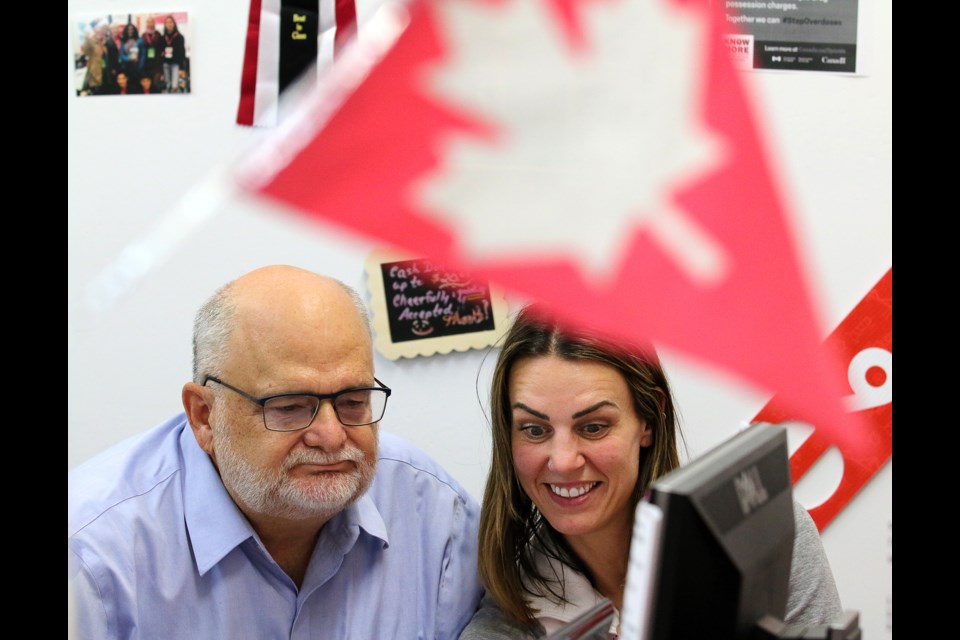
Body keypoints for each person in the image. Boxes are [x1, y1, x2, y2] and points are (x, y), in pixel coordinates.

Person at [68, 265, 484, 639]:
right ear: (204, 416)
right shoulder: (93, 555)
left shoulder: (432, 512)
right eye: (289, 407)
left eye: (354, 402)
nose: (332, 435)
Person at [459, 305, 843, 639]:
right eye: (535, 430)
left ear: (648, 419)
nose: (562, 461)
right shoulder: (506, 619)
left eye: (593, 427)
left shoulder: (769, 534)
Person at [159, 15, 186, 93]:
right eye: (167, 22)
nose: (169, 24)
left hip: (175, 64)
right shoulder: (162, 37)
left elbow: (182, 52)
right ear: (165, 25)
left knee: (175, 86)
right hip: (165, 64)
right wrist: (163, 53)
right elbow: (160, 50)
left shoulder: (180, 37)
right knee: (167, 85)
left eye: (171, 22)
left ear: (174, 24)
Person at [137, 15, 164, 91]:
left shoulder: (158, 34)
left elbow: (161, 49)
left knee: (156, 84)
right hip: (146, 64)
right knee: (147, 86)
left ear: (154, 23)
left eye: (151, 22)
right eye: (148, 22)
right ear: (146, 24)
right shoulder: (143, 35)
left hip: (156, 64)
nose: (150, 23)